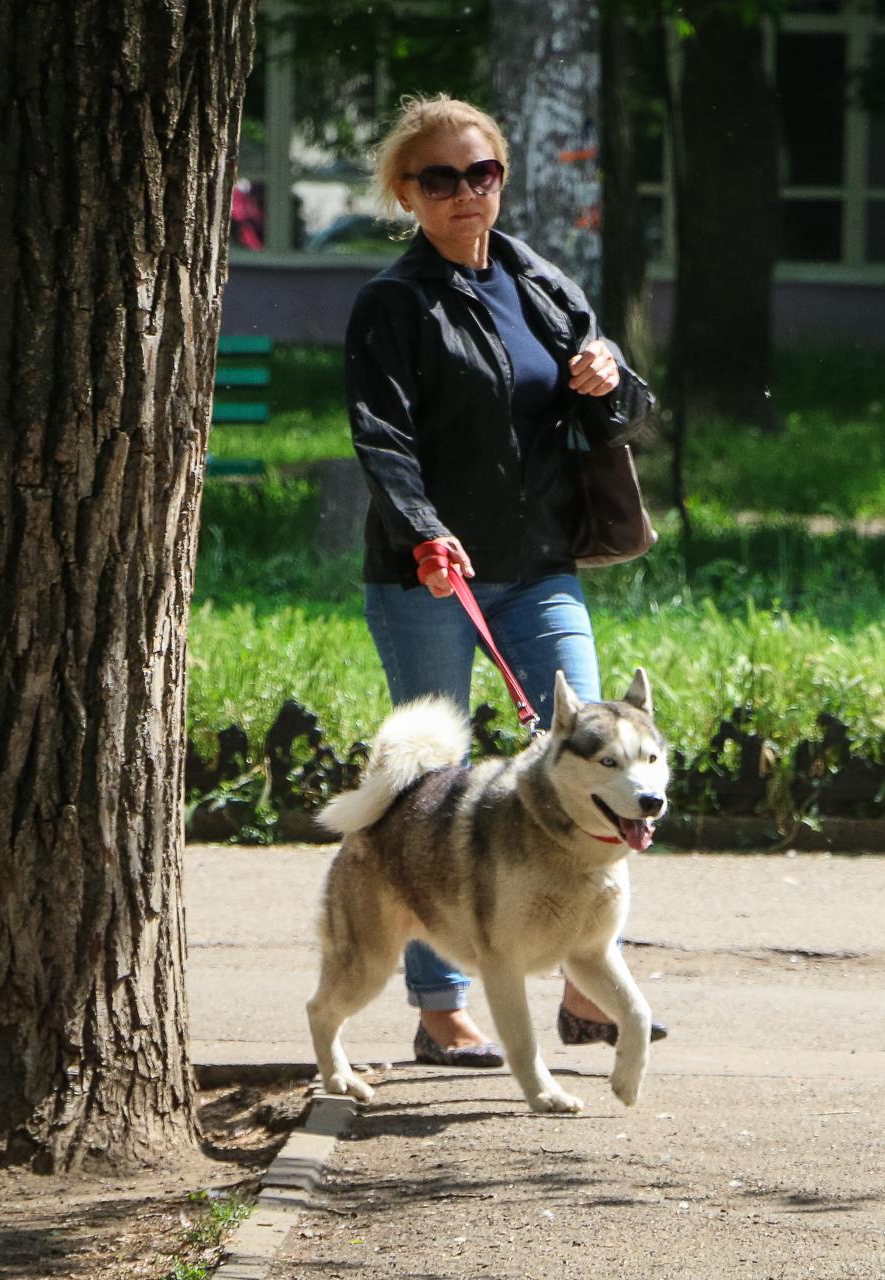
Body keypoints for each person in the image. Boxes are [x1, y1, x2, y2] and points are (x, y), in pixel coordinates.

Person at [345, 94, 663, 1068]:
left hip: (541, 566)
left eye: (479, 173)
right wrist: (425, 531)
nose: (464, 193)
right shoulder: (394, 304)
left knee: (585, 752)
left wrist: (610, 381)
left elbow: (622, 412)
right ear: (407, 192)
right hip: (432, 576)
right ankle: (440, 1001)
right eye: (438, 178)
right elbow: (382, 435)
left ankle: (579, 973)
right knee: (434, 788)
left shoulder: (538, 282)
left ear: (501, 178)